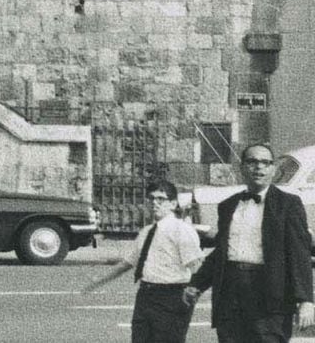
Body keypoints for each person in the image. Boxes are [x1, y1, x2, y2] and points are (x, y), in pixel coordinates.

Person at [187, 144, 315, 343]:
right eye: (252, 162)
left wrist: (306, 300)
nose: (259, 168)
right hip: (230, 294)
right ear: (242, 168)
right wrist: (197, 284)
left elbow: (299, 254)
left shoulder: (288, 204)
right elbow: (222, 251)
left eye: (266, 163)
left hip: (271, 298)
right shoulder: (228, 205)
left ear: (273, 170)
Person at [82, 182, 203, 343]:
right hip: (146, 295)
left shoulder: (181, 230)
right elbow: (127, 263)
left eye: (161, 199)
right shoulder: (146, 232)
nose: (155, 203)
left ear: (173, 204)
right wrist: (99, 281)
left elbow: (196, 265)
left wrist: (191, 296)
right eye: (151, 199)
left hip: (171, 296)